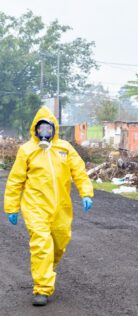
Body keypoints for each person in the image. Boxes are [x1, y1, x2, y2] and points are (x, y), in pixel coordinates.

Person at [3, 106, 94, 307]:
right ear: (35, 130)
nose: (45, 132)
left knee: (59, 244)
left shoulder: (65, 148)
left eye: (48, 128)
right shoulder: (26, 150)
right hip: (35, 206)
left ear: (55, 129)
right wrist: (12, 206)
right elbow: (15, 180)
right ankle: (42, 289)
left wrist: (86, 192)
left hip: (61, 207)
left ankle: (44, 269)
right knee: (42, 245)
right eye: (41, 128)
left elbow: (79, 171)